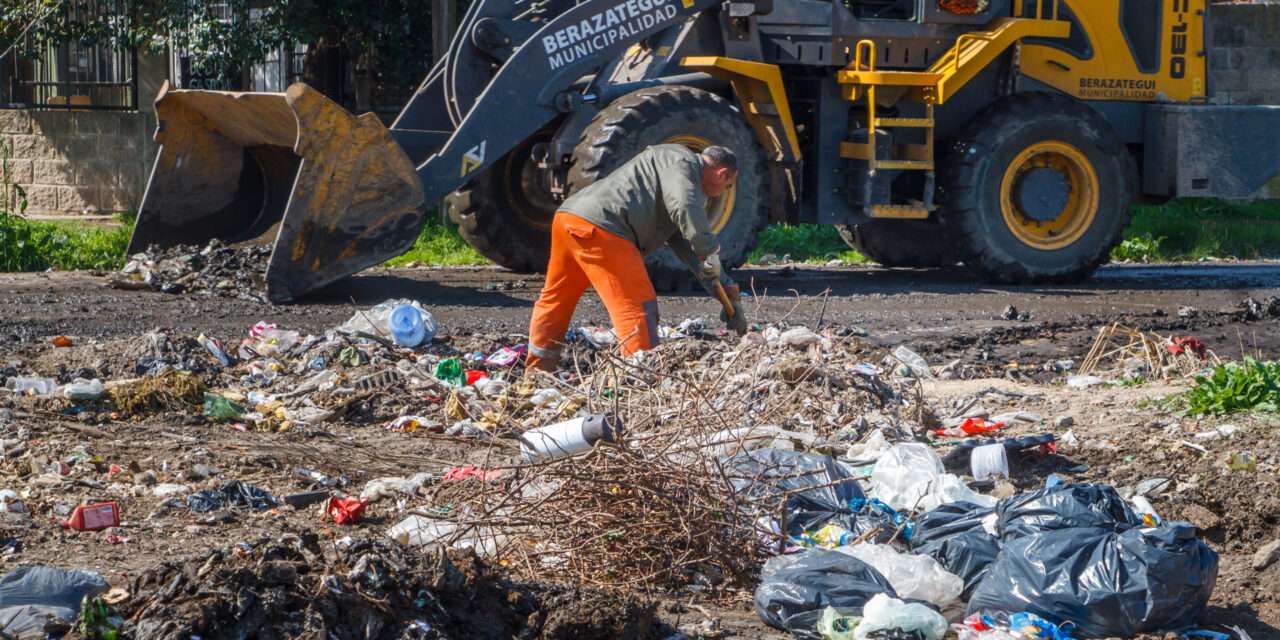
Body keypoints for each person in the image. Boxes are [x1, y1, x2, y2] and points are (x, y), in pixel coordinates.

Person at [525, 144, 748, 372]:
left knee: (556, 299)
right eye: (727, 186)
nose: (722, 193)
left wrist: (724, 289)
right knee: (638, 308)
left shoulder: (667, 167)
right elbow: (686, 210)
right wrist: (710, 250)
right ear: (723, 174)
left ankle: (537, 372)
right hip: (605, 228)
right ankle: (640, 381)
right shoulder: (684, 164)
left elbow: (690, 249)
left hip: (570, 218)